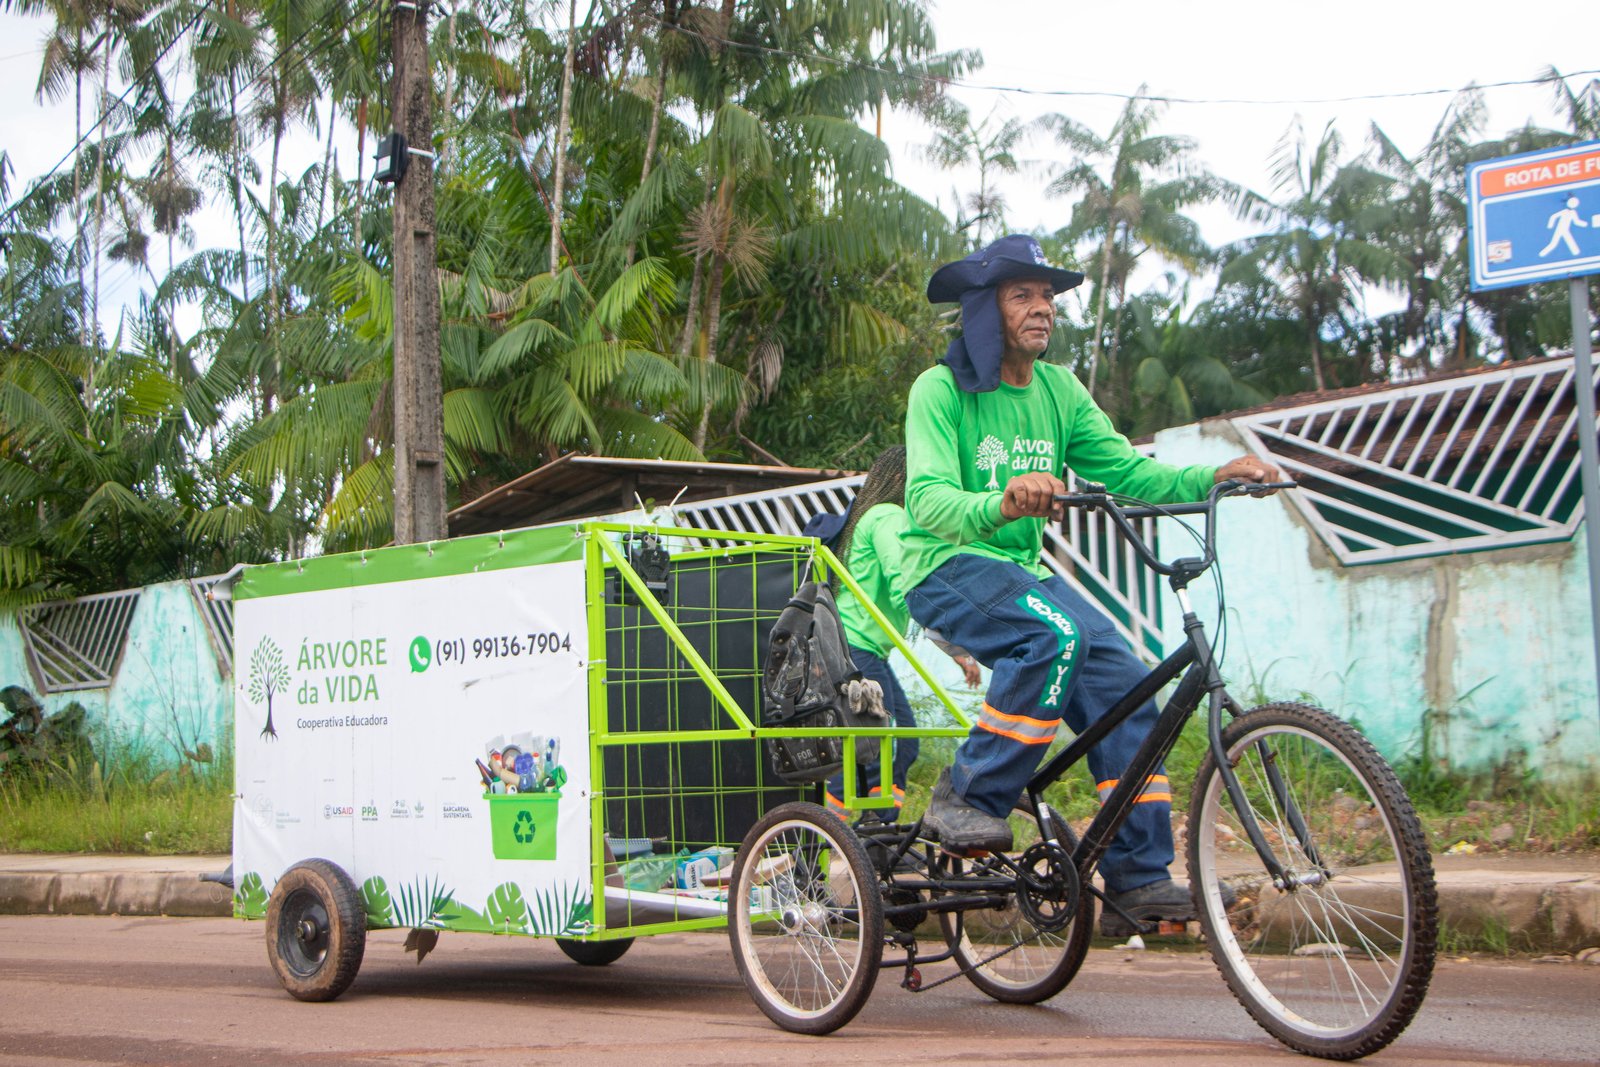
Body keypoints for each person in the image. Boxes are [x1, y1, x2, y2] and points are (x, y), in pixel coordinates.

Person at [901, 233, 1282, 935]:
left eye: (1048, 296)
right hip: (943, 565)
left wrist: (1213, 476)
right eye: (1025, 295)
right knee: (1055, 632)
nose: (1043, 308)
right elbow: (926, 500)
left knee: (1129, 684)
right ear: (986, 309)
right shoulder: (939, 389)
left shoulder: (1060, 390)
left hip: (1019, 573)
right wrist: (1003, 499)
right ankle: (967, 792)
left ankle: (1138, 877)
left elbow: (1131, 473)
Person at [805, 446, 982, 822]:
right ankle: (862, 833)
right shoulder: (887, 517)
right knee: (891, 742)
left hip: (859, 649)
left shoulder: (873, 515)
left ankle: (864, 830)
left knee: (880, 744)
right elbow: (907, 586)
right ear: (907, 480)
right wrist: (956, 645)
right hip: (858, 649)